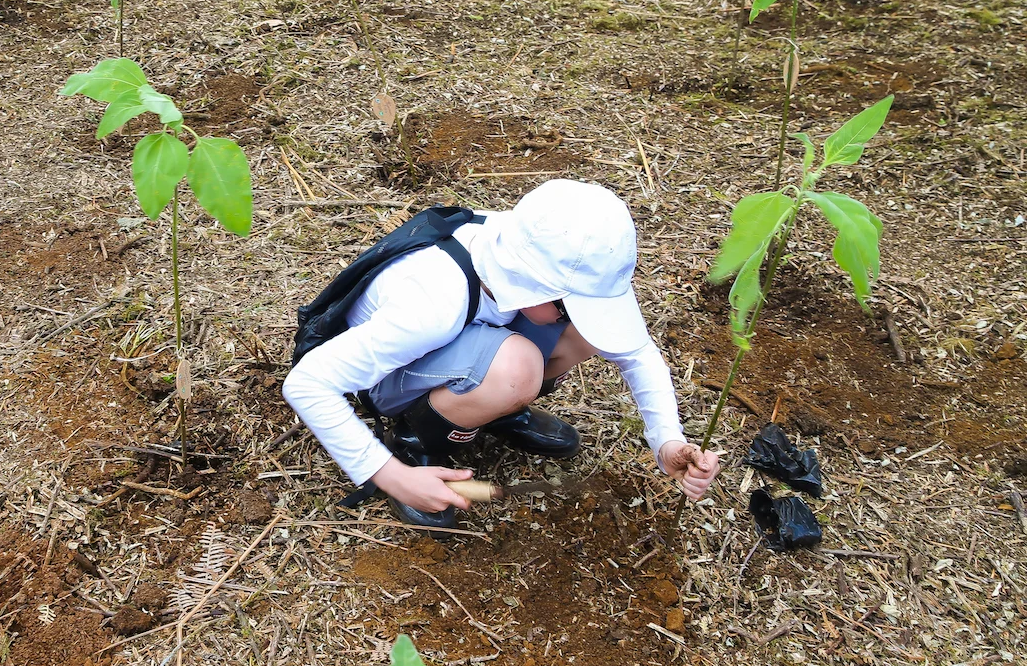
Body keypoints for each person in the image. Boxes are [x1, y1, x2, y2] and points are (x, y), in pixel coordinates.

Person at [282, 179, 720, 530]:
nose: (577, 314)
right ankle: (416, 444)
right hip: (387, 377)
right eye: (568, 302)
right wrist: (390, 474)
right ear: (531, 281)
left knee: (582, 336)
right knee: (517, 367)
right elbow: (308, 383)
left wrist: (667, 441)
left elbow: (635, 352)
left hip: (458, 339)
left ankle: (493, 408)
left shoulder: (530, 243)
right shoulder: (432, 303)